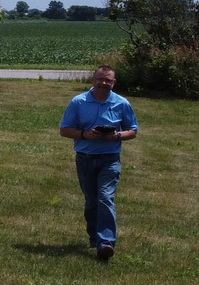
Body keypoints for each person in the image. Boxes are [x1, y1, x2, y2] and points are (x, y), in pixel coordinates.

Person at [58, 65, 139, 261]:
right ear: (93, 80)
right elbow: (65, 129)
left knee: (105, 198)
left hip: (109, 159)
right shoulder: (78, 102)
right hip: (85, 159)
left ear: (114, 83)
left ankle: (106, 242)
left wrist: (118, 135)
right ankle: (95, 237)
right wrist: (86, 134)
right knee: (92, 202)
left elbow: (133, 130)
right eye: (100, 79)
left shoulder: (121, 103)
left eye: (108, 80)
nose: (104, 83)